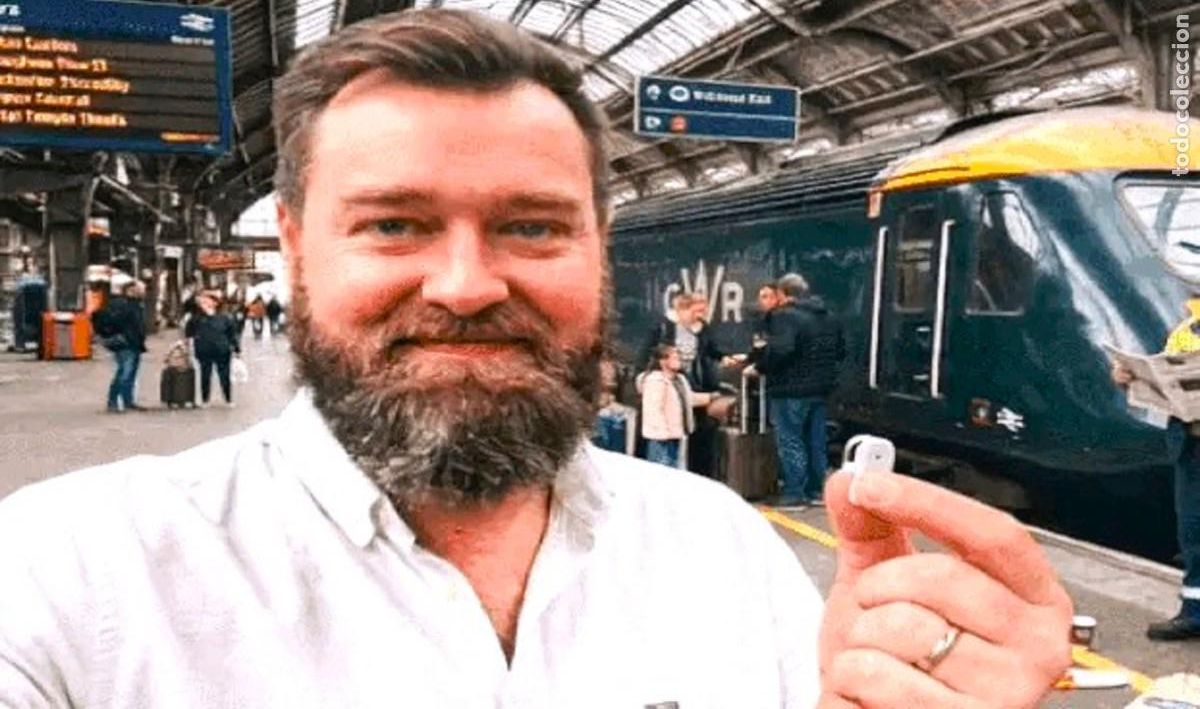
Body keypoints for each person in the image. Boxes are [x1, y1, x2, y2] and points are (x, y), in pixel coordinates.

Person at [0, 10, 1071, 707]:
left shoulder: (723, 555)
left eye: (532, 227)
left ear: (600, 247)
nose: (467, 285)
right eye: (394, 224)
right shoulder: (66, 578)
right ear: (292, 248)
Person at [1113, 296, 1200, 640]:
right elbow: (1166, 371)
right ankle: (1193, 613)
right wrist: (1127, 376)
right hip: (1191, 445)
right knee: (1193, 533)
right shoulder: (1186, 329)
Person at [752, 273, 844, 507]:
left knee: (791, 439)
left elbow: (783, 350)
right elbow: (841, 350)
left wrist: (761, 365)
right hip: (821, 388)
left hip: (790, 388)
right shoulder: (828, 316)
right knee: (816, 440)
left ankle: (794, 493)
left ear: (782, 294)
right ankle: (816, 491)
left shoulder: (785, 317)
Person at [640, 344, 712, 468]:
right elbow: (653, 410)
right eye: (675, 357)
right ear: (663, 361)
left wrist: (711, 398)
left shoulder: (679, 380)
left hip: (677, 435)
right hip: (661, 439)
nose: (679, 360)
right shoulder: (655, 381)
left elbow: (687, 399)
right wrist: (663, 434)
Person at [92, 278, 148, 413]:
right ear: (131, 290)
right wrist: (122, 335)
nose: (143, 292)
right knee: (124, 372)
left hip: (134, 343)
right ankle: (113, 402)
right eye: (141, 289)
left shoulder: (135, 304)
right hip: (126, 343)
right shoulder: (123, 304)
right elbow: (117, 321)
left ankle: (127, 401)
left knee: (129, 374)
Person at [184, 291, 241, 408]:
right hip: (203, 350)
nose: (204, 303)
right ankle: (205, 400)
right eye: (202, 301)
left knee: (224, 376)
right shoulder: (196, 318)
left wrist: (236, 349)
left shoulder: (225, 318)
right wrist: (189, 348)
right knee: (205, 375)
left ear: (215, 303)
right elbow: (188, 333)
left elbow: (232, 334)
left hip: (222, 350)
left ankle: (228, 399)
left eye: (207, 300)